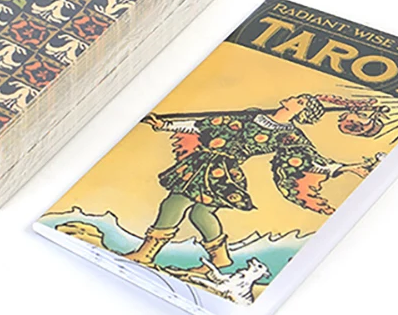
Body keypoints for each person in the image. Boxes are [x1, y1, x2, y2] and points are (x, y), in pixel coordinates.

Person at [122, 94, 372, 274]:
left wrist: (347, 168)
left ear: (301, 113)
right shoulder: (253, 114)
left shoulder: (290, 135)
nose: (295, 98)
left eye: (301, 101)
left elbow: (311, 162)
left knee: (175, 203)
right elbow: (204, 126)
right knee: (200, 213)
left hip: (220, 171)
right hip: (202, 162)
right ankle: (220, 259)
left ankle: (146, 254)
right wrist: (165, 125)